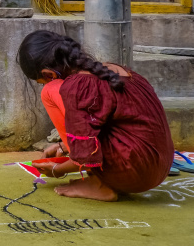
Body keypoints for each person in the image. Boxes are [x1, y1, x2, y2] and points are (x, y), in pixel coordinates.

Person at [17, 30, 174, 201]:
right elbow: (109, 124)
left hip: (133, 172)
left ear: (50, 74)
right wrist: (63, 145)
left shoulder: (77, 86)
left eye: (41, 81)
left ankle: (100, 184)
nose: (44, 84)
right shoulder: (112, 69)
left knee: (50, 91)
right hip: (160, 166)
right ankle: (99, 176)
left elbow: (87, 147)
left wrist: (56, 170)